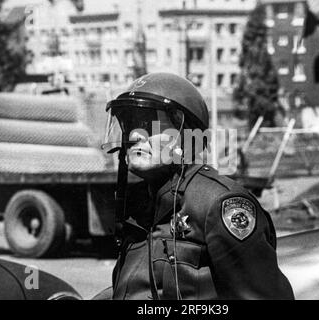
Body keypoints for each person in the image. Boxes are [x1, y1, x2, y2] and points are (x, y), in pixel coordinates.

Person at [102, 72, 294, 300]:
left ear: (186, 135)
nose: (134, 135)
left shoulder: (219, 204)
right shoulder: (141, 207)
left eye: (149, 124)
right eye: (130, 123)